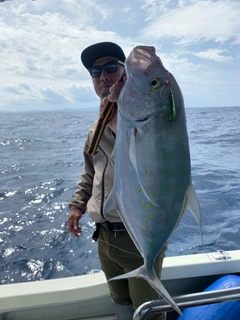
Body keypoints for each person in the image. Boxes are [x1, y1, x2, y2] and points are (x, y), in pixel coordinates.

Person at [67, 42, 167, 320]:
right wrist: (77, 206)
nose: (103, 75)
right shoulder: (95, 128)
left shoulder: (141, 119)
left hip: (138, 236)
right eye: (95, 71)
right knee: (121, 304)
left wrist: (120, 112)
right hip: (104, 238)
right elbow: (90, 172)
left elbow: (147, 159)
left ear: (124, 72)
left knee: (148, 312)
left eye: (111, 67)